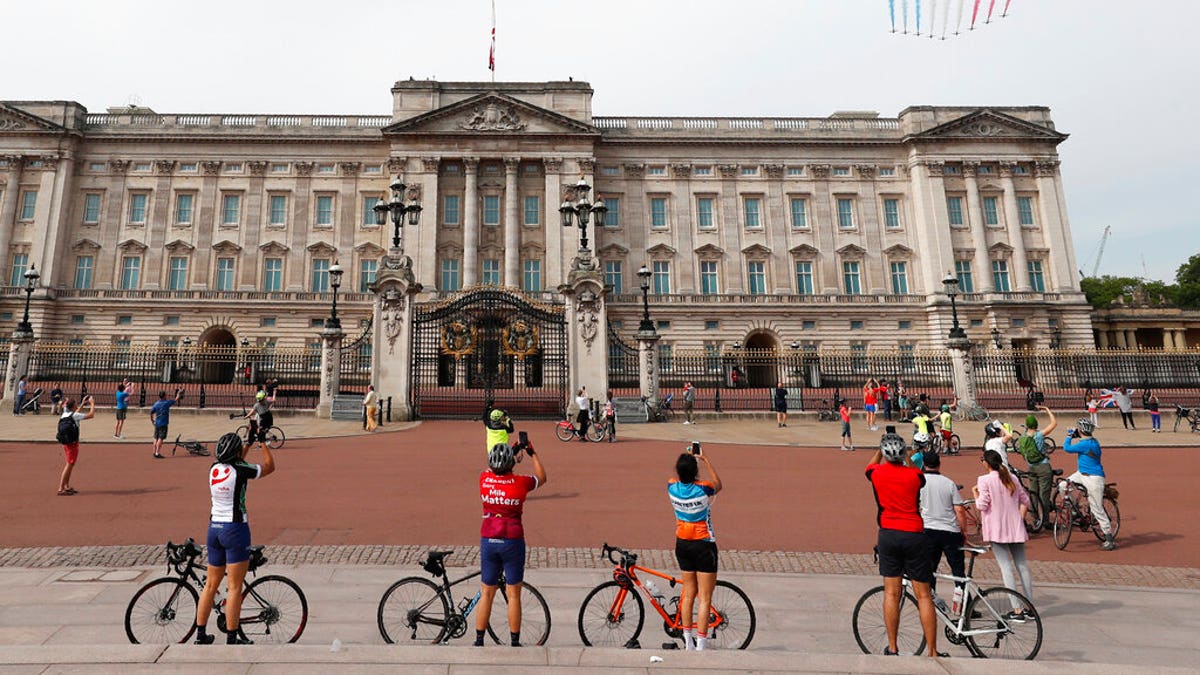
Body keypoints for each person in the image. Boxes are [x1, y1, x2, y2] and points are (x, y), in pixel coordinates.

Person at [194, 433, 276, 645]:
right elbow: (269, 467)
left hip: (214, 529)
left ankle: (200, 635)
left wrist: (246, 443)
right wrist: (262, 443)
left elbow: (235, 461)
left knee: (210, 586)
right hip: (235, 529)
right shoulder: (241, 470)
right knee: (234, 587)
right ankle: (232, 637)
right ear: (237, 453)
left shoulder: (214, 468)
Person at [865, 433, 940, 657]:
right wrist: (908, 454)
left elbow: (869, 466)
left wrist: (879, 448)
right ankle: (933, 650)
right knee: (924, 595)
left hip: (889, 533)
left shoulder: (877, 473)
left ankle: (893, 646)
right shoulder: (914, 476)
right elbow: (917, 472)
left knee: (892, 593)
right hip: (914, 533)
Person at [475, 439, 546, 647]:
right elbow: (542, 478)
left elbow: (490, 468)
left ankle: (479, 639)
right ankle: (514, 641)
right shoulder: (520, 483)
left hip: (489, 539)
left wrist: (511, 453)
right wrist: (532, 453)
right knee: (513, 594)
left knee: (486, 592)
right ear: (511, 466)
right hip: (512, 540)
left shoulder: (484, 479)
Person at [669, 445, 723, 651]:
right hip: (703, 543)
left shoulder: (671, 487)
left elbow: (676, 477)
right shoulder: (703, 488)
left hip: (682, 542)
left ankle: (687, 639)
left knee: (689, 592)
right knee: (705, 597)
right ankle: (701, 642)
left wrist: (687, 464)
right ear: (695, 473)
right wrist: (706, 460)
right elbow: (718, 485)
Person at [973, 450, 1034, 619]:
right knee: (1022, 566)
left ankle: (1017, 609)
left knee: (1006, 568)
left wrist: (975, 493)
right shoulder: (1012, 478)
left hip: (997, 529)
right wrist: (1019, 518)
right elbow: (1026, 500)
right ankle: (1030, 607)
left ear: (986, 463)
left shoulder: (984, 480)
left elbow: (981, 505)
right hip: (1015, 528)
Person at [919, 451, 967, 605]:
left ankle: (930, 601)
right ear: (939, 464)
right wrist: (963, 531)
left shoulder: (920, 483)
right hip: (949, 531)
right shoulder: (948, 483)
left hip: (928, 529)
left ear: (924, 464)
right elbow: (959, 510)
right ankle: (964, 604)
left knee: (930, 569)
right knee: (958, 571)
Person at [1062, 418, 1116, 550]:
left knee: (1097, 509)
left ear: (1080, 430)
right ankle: (1073, 506)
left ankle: (1109, 538)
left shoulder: (1086, 444)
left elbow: (1067, 448)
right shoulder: (1092, 441)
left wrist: (1069, 435)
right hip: (1081, 474)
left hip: (1094, 478)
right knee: (1063, 486)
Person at [1015, 406, 1057, 530]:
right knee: (1044, 495)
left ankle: (1035, 519)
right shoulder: (1039, 435)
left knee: (1033, 494)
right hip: (1043, 466)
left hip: (1031, 468)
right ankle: (1045, 521)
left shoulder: (1022, 438)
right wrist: (1047, 409)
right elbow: (1054, 423)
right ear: (1036, 424)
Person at [56, 395, 95, 496]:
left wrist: (82, 403)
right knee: (69, 465)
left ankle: (66, 486)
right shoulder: (74, 416)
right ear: (73, 406)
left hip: (66, 442)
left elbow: (76, 412)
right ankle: (61, 488)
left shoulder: (65, 413)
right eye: (76, 405)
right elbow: (91, 415)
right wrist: (92, 404)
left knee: (70, 464)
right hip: (72, 443)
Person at [150, 388, 183, 459]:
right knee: (160, 438)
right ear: (164, 396)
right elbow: (176, 399)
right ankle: (157, 453)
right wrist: (179, 393)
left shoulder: (156, 404)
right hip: (163, 423)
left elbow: (151, 412)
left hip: (157, 423)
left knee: (156, 437)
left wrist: (152, 420)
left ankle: (154, 451)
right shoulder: (166, 403)